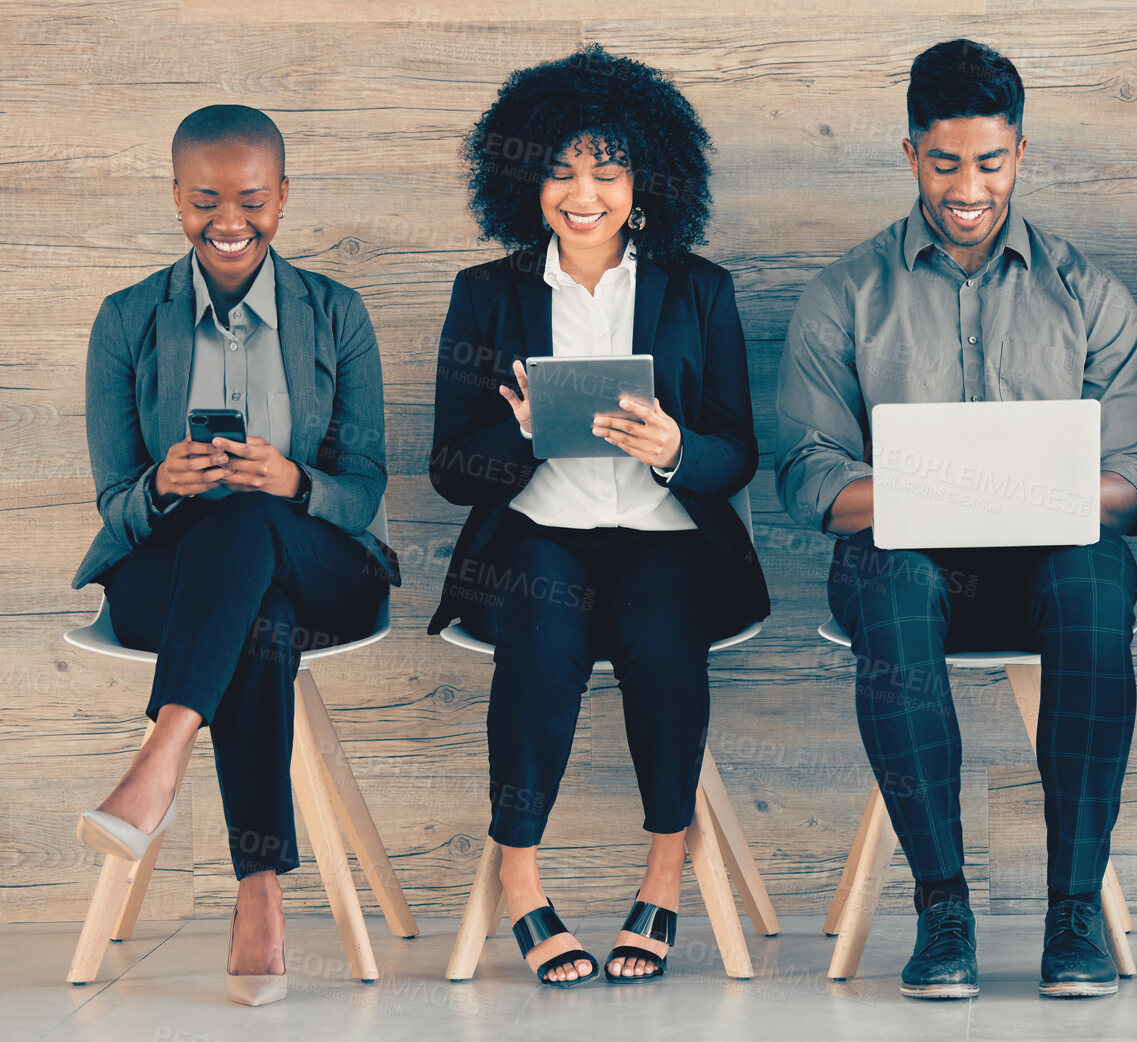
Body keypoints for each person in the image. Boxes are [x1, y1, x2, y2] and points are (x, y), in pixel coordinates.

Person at [776, 39, 1137, 1001]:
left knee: (1093, 576)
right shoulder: (842, 296)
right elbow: (808, 479)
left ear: (1021, 154)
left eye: (989, 162)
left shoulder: (1089, 295)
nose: (967, 186)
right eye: (944, 161)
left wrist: (1038, 491)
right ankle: (942, 903)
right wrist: (939, 492)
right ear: (911, 155)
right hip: (907, 559)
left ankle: (1073, 908)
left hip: (1050, 558)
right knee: (893, 583)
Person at [429, 44, 768, 988]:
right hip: (539, 533)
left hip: (663, 534)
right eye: (560, 170)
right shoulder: (485, 294)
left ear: (644, 180)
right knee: (540, 639)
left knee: (664, 642)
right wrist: (525, 439)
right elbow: (449, 470)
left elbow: (738, 451)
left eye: (607, 171)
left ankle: (664, 876)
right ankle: (523, 881)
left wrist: (674, 452)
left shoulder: (698, 289)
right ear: (524, 181)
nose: (583, 193)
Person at [74, 105, 399, 1007]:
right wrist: (161, 486)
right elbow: (112, 498)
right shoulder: (127, 318)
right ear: (175, 198)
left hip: (313, 554)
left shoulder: (335, 312)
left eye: (252, 199)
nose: (229, 220)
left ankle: (161, 757)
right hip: (171, 576)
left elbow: (366, 486)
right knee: (256, 611)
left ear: (283, 198)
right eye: (203, 200)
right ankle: (261, 892)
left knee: (251, 525)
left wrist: (294, 482)